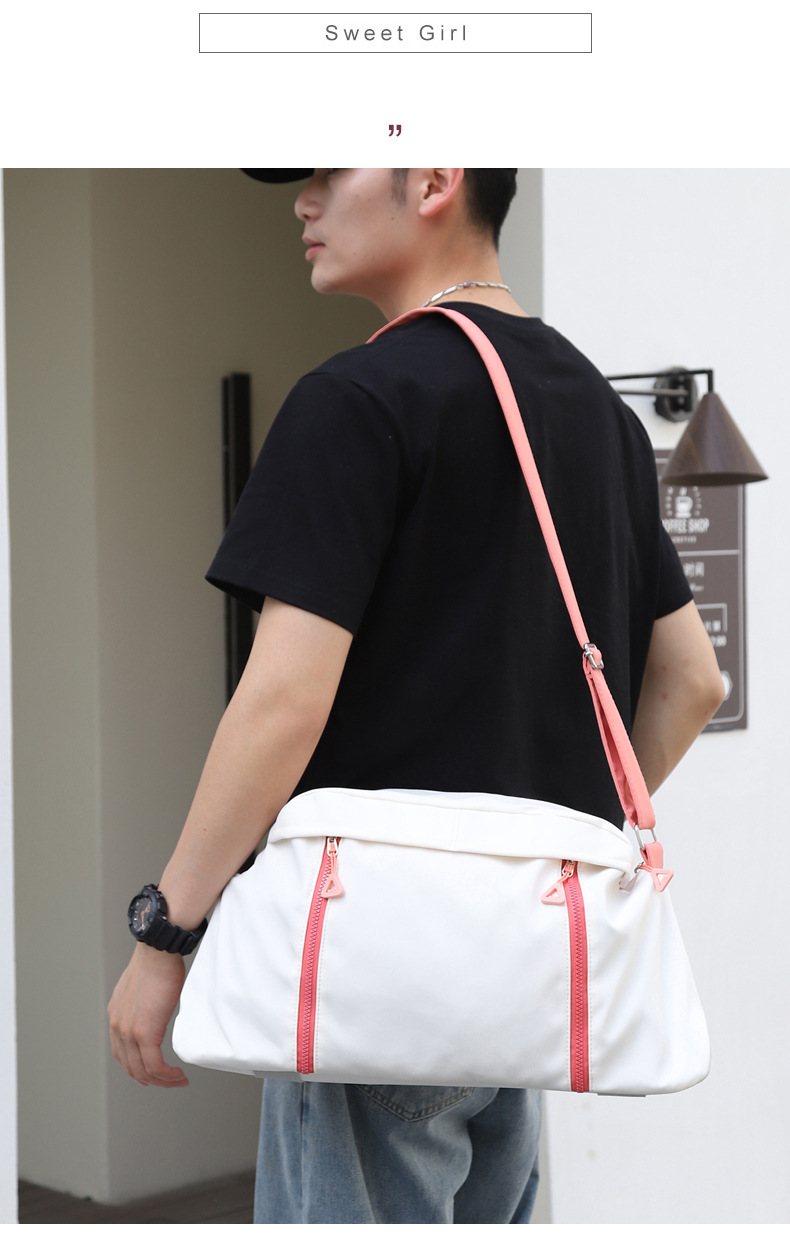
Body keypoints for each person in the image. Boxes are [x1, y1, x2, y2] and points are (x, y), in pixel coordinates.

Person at [109, 169, 725, 1224]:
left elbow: (282, 703)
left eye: (325, 172)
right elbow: (692, 680)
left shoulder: (358, 398)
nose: (301, 203)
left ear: (435, 176)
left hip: (373, 974)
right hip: (523, 981)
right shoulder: (601, 416)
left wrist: (166, 937)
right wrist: (533, 849)